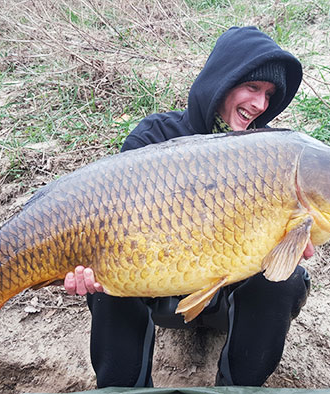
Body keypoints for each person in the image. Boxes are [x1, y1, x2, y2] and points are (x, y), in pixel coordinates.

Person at [64, 26, 312, 388]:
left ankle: (238, 388)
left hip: (228, 298)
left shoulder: (272, 154)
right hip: (157, 292)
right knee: (108, 278)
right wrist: (84, 267)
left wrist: (290, 244)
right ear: (222, 82)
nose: (260, 104)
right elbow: (107, 217)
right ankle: (123, 388)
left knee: (287, 279)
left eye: (269, 94)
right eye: (252, 88)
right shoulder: (154, 137)